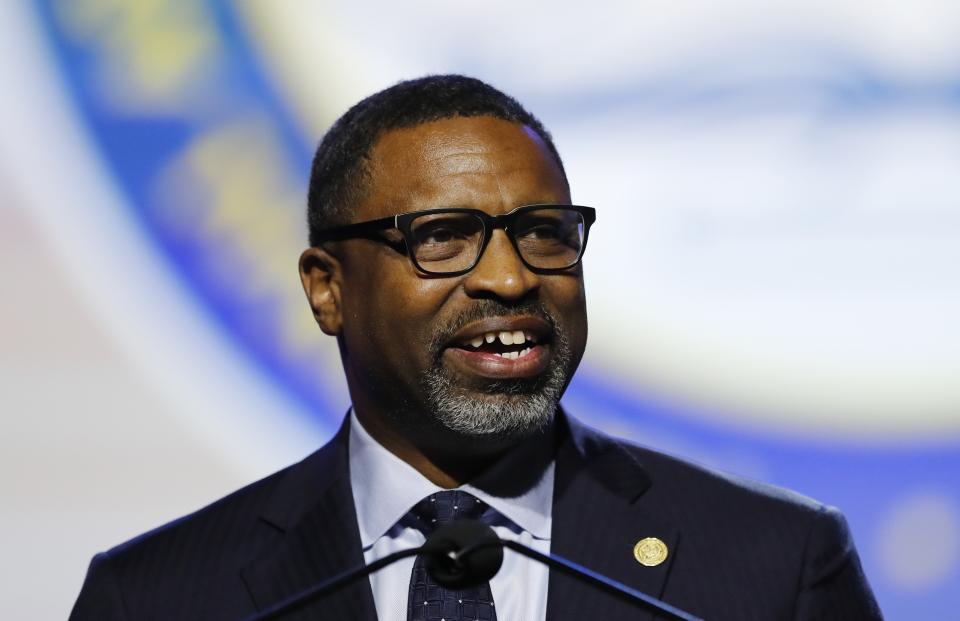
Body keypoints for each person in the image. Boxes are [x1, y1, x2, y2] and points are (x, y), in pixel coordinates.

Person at [69, 75, 882, 621]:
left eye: (543, 233)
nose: (510, 276)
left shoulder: (775, 568)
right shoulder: (158, 597)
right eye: (444, 237)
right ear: (327, 287)